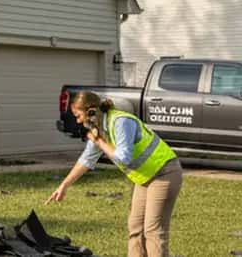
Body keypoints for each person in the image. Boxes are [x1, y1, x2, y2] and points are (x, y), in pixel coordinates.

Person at [46, 91, 182, 257]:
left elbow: (123, 158)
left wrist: (100, 142)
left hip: (164, 173)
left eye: (78, 115)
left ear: (90, 110)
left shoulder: (121, 122)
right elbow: (86, 160)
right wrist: (64, 186)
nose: (78, 120)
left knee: (152, 230)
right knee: (135, 228)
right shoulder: (98, 128)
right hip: (144, 178)